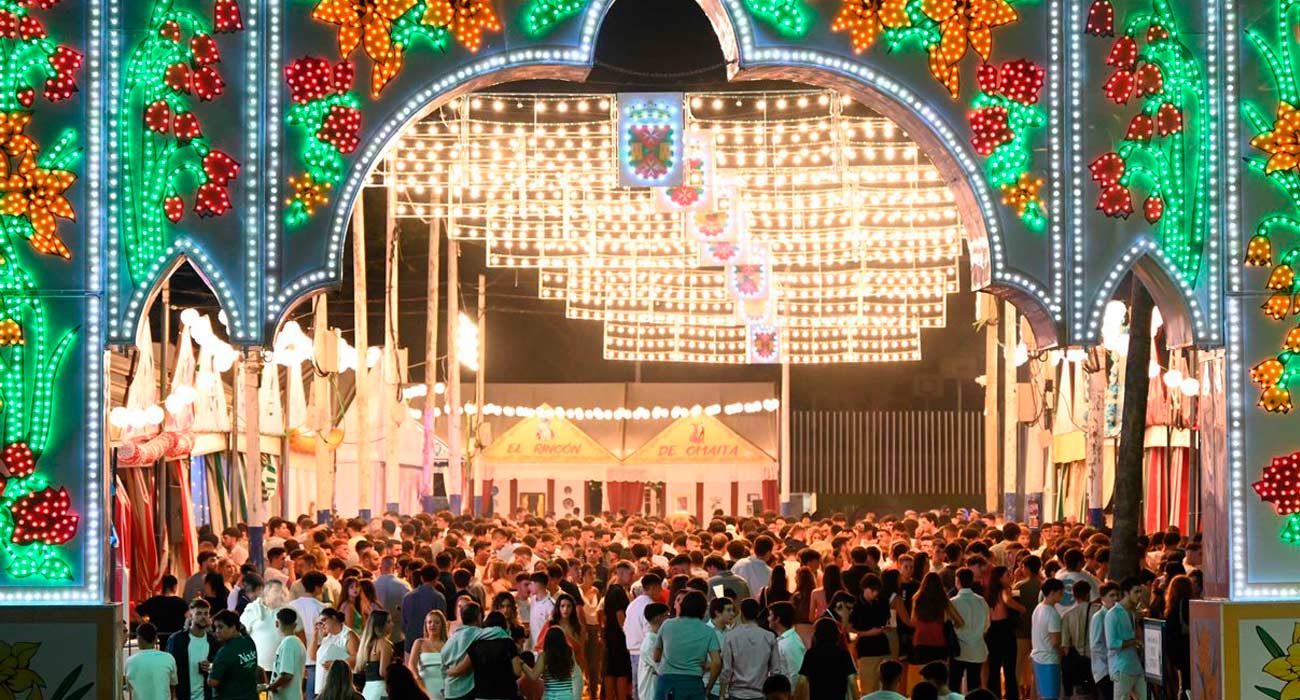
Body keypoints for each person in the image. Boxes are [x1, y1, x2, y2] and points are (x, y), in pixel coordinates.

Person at [651, 590, 721, 700]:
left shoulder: (667, 624)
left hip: (668, 683)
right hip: (694, 684)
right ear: (703, 610)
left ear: (683, 606)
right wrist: (709, 688)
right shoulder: (708, 631)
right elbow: (717, 662)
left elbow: (656, 656)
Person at [908, 573, 963, 687]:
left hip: (921, 642)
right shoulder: (943, 599)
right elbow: (959, 620)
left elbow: (913, 621)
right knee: (940, 681)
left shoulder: (917, 598)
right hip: (939, 642)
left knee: (925, 679)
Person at [721, 598, 779, 700]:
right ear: (757, 614)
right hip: (760, 694)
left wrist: (722, 694)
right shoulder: (769, 637)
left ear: (741, 613)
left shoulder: (730, 636)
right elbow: (776, 670)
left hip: (736, 693)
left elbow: (727, 669)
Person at [461, 611, 528, 700]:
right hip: (506, 693)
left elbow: (463, 668)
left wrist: (450, 671)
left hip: (483, 694)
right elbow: (517, 671)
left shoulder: (476, 643)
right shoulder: (508, 643)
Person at [168, 597, 222, 700]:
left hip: (206, 695)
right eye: (198, 613)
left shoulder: (213, 641)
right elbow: (170, 669)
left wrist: (211, 666)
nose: (203, 617)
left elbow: (219, 666)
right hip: (183, 695)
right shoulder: (177, 640)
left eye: (206, 614)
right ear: (191, 616)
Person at [983, 565, 1024, 700]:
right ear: (1000, 578)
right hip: (1005, 631)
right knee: (1009, 670)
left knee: (994, 670)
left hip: (991, 631)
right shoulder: (1005, 590)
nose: (1010, 577)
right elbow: (1007, 601)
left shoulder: (988, 593)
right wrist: (1021, 608)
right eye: (1007, 575)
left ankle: (994, 697)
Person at [794, 618, 856, 700]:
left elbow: (802, 681)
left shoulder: (811, 654)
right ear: (836, 634)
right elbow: (852, 681)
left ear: (816, 634)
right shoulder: (843, 654)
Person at [948, 567, 988, 694]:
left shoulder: (953, 602)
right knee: (974, 686)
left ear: (957, 581)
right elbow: (987, 625)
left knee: (954, 685)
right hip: (977, 648)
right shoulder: (981, 601)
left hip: (958, 649)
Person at [850, 574, 892, 695]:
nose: (875, 594)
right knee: (868, 688)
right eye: (872, 590)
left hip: (883, 647)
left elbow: (887, 619)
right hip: (866, 650)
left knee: (885, 688)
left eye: (877, 591)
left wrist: (886, 627)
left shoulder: (882, 602)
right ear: (864, 588)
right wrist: (868, 633)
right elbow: (851, 629)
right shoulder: (856, 604)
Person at [208, 609, 264, 699]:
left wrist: (211, 669)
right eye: (215, 628)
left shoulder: (225, 652)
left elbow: (212, 682)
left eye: (220, 627)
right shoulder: (249, 641)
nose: (217, 631)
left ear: (233, 627)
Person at [1105, 578, 1145, 700]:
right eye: (1136, 592)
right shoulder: (1113, 614)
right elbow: (1111, 643)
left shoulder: (1133, 612)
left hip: (1135, 665)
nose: (1139, 595)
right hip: (1121, 667)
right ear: (1127, 593)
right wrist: (1135, 642)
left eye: (1140, 592)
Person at [293, 572, 329, 700]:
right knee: (312, 695)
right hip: (315, 657)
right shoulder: (322, 608)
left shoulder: (292, 605)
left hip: (295, 656)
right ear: (317, 587)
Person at [523, 626, 584, 700]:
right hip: (567, 696)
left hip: (550, 697)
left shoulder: (544, 656)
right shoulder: (569, 653)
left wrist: (522, 664)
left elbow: (534, 676)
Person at [602, 563, 635, 700]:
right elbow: (620, 616)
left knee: (611, 670)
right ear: (621, 573)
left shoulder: (611, 590)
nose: (633, 577)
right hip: (619, 637)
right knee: (621, 672)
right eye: (631, 573)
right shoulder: (618, 592)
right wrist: (628, 636)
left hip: (611, 635)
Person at [1030, 579, 1066, 700]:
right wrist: (1062, 651)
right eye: (1060, 593)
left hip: (1037, 657)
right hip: (1049, 659)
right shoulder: (1052, 613)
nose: (1062, 596)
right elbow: (1055, 641)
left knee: (1042, 695)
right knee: (1051, 696)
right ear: (1052, 593)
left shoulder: (1038, 608)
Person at [624, 572, 661, 690]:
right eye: (659, 588)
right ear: (653, 587)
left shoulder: (632, 605)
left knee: (638, 687)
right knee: (647, 688)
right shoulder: (649, 606)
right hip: (645, 652)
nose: (660, 591)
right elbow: (649, 633)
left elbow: (625, 627)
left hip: (632, 651)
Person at [243, 578, 288, 672]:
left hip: (283, 669)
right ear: (266, 592)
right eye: (276, 592)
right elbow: (241, 635)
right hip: (257, 668)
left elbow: (300, 636)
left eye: (282, 591)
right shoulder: (252, 609)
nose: (281, 595)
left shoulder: (289, 610)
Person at [313, 608, 361, 696]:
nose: (322, 625)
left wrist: (334, 665)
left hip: (342, 685)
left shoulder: (348, 635)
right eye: (320, 623)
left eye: (324, 620)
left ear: (334, 618)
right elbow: (312, 657)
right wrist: (315, 633)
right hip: (325, 686)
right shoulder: (326, 638)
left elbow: (356, 658)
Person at [403, 565, 449, 656]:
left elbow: (403, 623)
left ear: (421, 578)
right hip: (431, 647)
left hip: (410, 643)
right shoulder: (438, 597)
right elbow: (443, 621)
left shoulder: (407, 597)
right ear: (437, 577)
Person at [125, 623, 179, 700]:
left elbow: (129, 688)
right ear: (155, 638)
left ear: (139, 639)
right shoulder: (168, 658)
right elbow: (173, 685)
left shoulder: (129, 661)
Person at [1059, 580, 1094, 700]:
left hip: (1078, 660)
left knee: (1080, 693)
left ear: (1074, 595)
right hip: (1096, 658)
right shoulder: (1098, 611)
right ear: (1088, 594)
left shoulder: (1067, 615)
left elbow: (1065, 646)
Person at [1163, 574, 1193, 698]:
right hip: (1186, 648)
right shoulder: (1187, 604)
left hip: (1175, 650)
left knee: (1182, 682)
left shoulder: (1171, 607)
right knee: (1187, 682)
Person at [268, 608, 308, 700]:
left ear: (277, 623)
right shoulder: (296, 642)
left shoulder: (289, 643)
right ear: (295, 625)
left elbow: (287, 675)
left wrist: (269, 687)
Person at [356, 609, 396, 700]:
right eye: (388, 622)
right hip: (381, 690)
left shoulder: (365, 645)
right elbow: (383, 672)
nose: (392, 624)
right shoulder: (384, 644)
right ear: (380, 625)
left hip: (368, 689)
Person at [408, 610, 449, 699]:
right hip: (423, 683)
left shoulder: (448, 644)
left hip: (444, 685)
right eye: (429, 622)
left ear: (442, 625)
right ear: (425, 625)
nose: (432, 625)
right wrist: (418, 680)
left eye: (436, 622)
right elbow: (411, 665)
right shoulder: (419, 642)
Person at [1089, 582, 1120, 700]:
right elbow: (1096, 645)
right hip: (1104, 670)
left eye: (1117, 595)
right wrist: (1111, 658)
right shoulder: (1099, 617)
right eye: (1111, 595)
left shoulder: (1116, 615)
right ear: (1103, 598)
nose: (1115, 598)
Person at [376, 556, 413, 647]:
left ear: (381, 567)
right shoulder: (403, 585)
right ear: (394, 567)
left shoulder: (372, 585)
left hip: (377, 633)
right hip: (398, 633)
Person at [768, 602, 805, 689]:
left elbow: (796, 673)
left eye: (770, 615)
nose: (768, 619)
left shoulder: (791, 643)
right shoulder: (783, 640)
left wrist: (791, 695)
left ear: (777, 619)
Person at [637, 603, 669, 700]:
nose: (669, 619)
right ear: (658, 618)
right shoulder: (650, 644)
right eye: (666, 615)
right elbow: (663, 669)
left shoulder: (658, 639)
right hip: (650, 694)